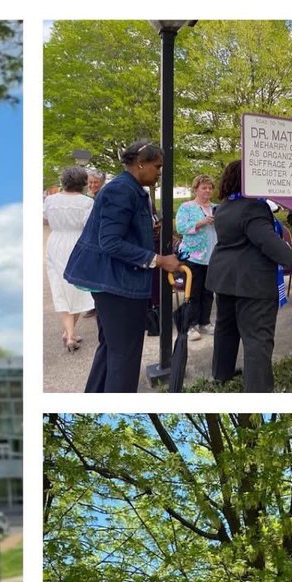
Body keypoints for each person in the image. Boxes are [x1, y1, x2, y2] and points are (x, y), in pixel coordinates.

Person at [64, 141, 181, 393]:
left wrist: (145, 229)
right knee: (124, 357)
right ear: (140, 163)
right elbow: (110, 242)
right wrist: (160, 260)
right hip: (118, 285)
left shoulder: (130, 189)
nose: (159, 172)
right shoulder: (121, 190)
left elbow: (119, 232)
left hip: (116, 283)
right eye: (157, 166)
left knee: (112, 350)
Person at [207, 159, 292, 392]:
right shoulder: (254, 207)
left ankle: (221, 373)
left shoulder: (224, 207)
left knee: (226, 329)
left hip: (224, 278)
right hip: (252, 282)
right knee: (257, 337)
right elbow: (266, 240)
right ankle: (258, 390)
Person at [44, 166, 95, 353]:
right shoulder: (87, 202)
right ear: (83, 183)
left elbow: (45, 219)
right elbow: (89, 226)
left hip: (56, 242)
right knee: (77, 288)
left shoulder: (50, 200)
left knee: (59, 287)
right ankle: (70, 333)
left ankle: (69, 333)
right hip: (78, 243)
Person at [174, 174, 218, 341]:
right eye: (204, 187)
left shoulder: (216, 207)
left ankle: (204, 323)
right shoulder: (186, 207)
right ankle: (190, 325)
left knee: (208, 292)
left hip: (212, 255)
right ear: (195, 189)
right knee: (193, 292)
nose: (207, 190)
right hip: (193, 256)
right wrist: (201, 222)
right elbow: (181, 228)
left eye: (210, 188)